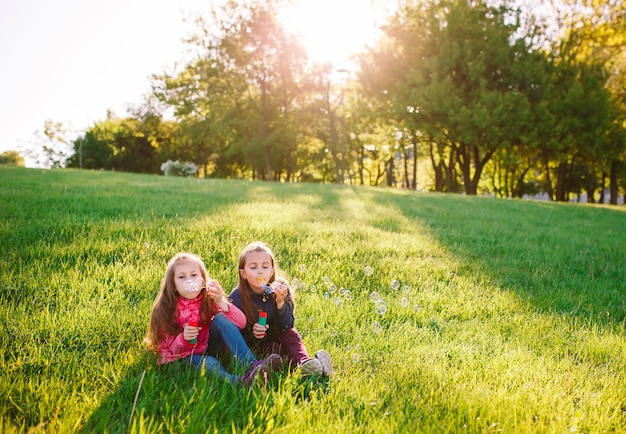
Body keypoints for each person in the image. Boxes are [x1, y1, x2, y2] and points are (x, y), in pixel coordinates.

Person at [144, 252, 281, 387]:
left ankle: (253, 365)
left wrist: (221, 301)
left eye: (194, 275)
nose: (189, 281)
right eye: (181, 277)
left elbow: (241, 323)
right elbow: (167, 349)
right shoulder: (166, 308)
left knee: (220, 319)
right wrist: (182, 338)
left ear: (203, 280)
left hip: (206, 346)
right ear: (173, 284)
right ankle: (239, 381)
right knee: (209, 362)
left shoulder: (207, 299)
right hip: (182, 356)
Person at [229, 241, 332, 377]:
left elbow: (287, 325)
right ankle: (315, 368)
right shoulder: (237, 298)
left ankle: (304, 361)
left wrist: (280, 303)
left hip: (280, 332)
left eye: (265, 267)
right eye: (253, 267)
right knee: (275, 351)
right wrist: (252, 333)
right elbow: (235, 336)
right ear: (243, 274)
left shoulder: (280, 288)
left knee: (291, 335)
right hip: (258, 342)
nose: (260, 271)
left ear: (272, 270)